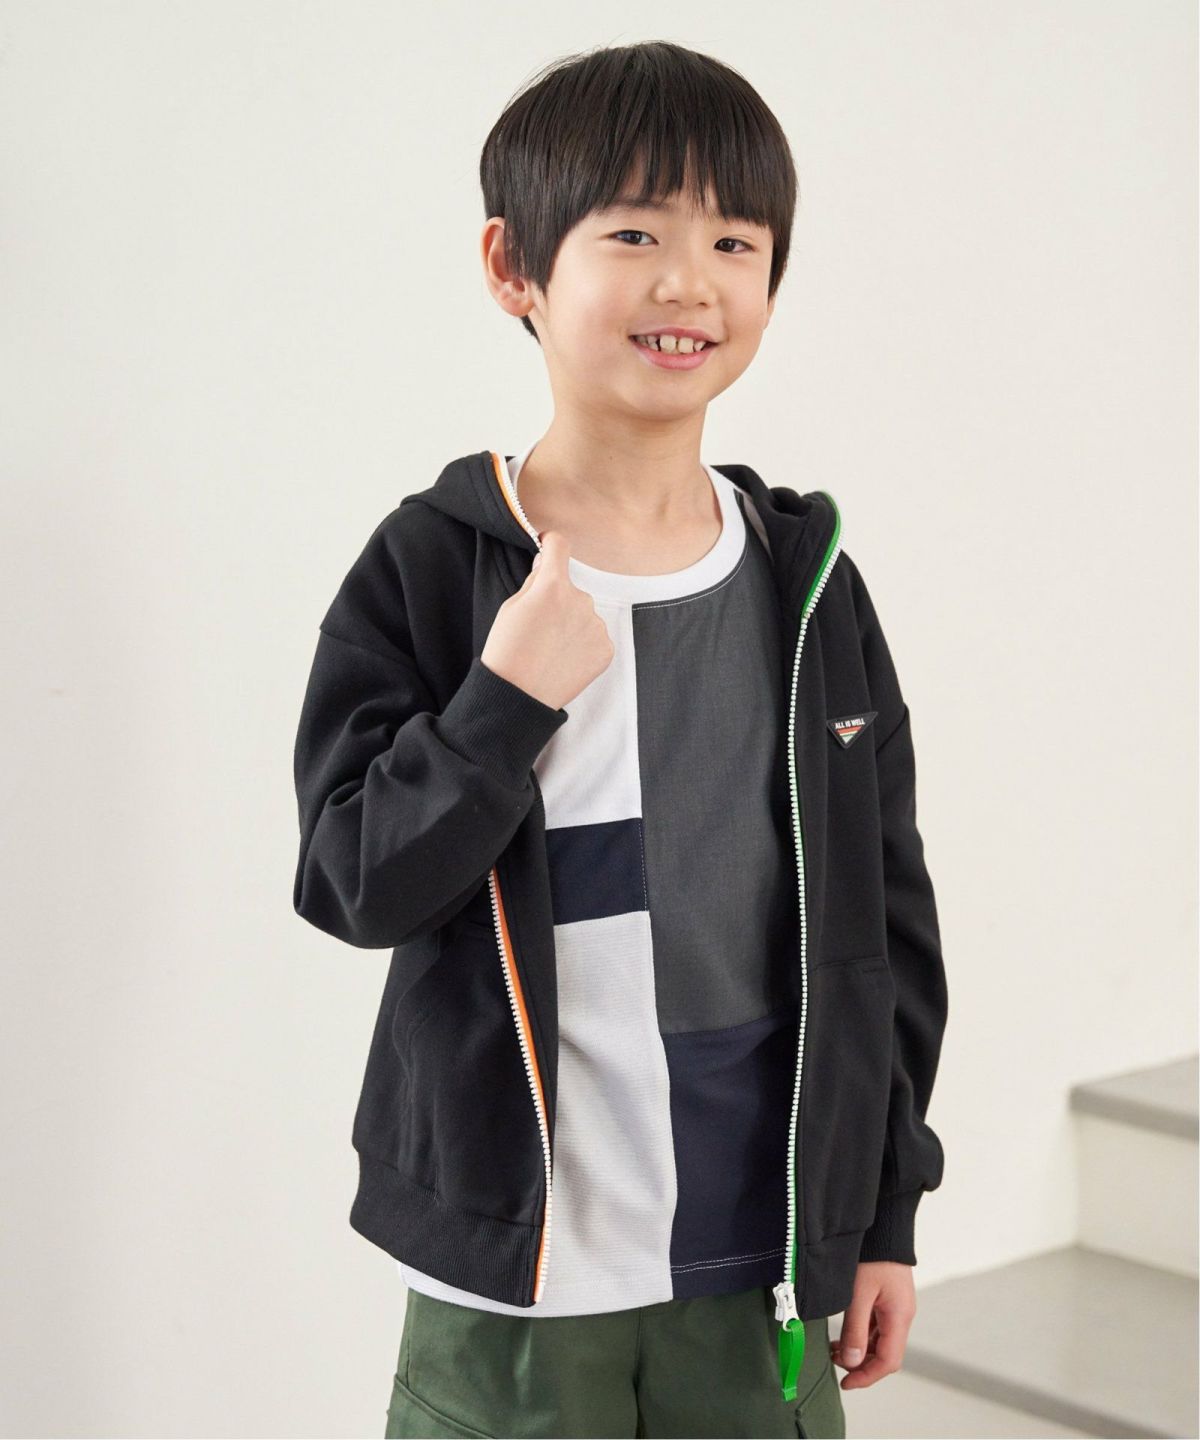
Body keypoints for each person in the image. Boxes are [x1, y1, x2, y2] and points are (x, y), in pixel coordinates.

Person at [292, 39, 948, 1440]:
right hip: (517, 1285)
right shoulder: (435, 566)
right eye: (636, 233)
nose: (688, 282)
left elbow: (882, 922)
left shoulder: (806, 583)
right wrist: (502, 703)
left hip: (760, 1259)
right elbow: (353, 884)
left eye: (734, 241)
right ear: (513, 266)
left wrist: (883, 1206)